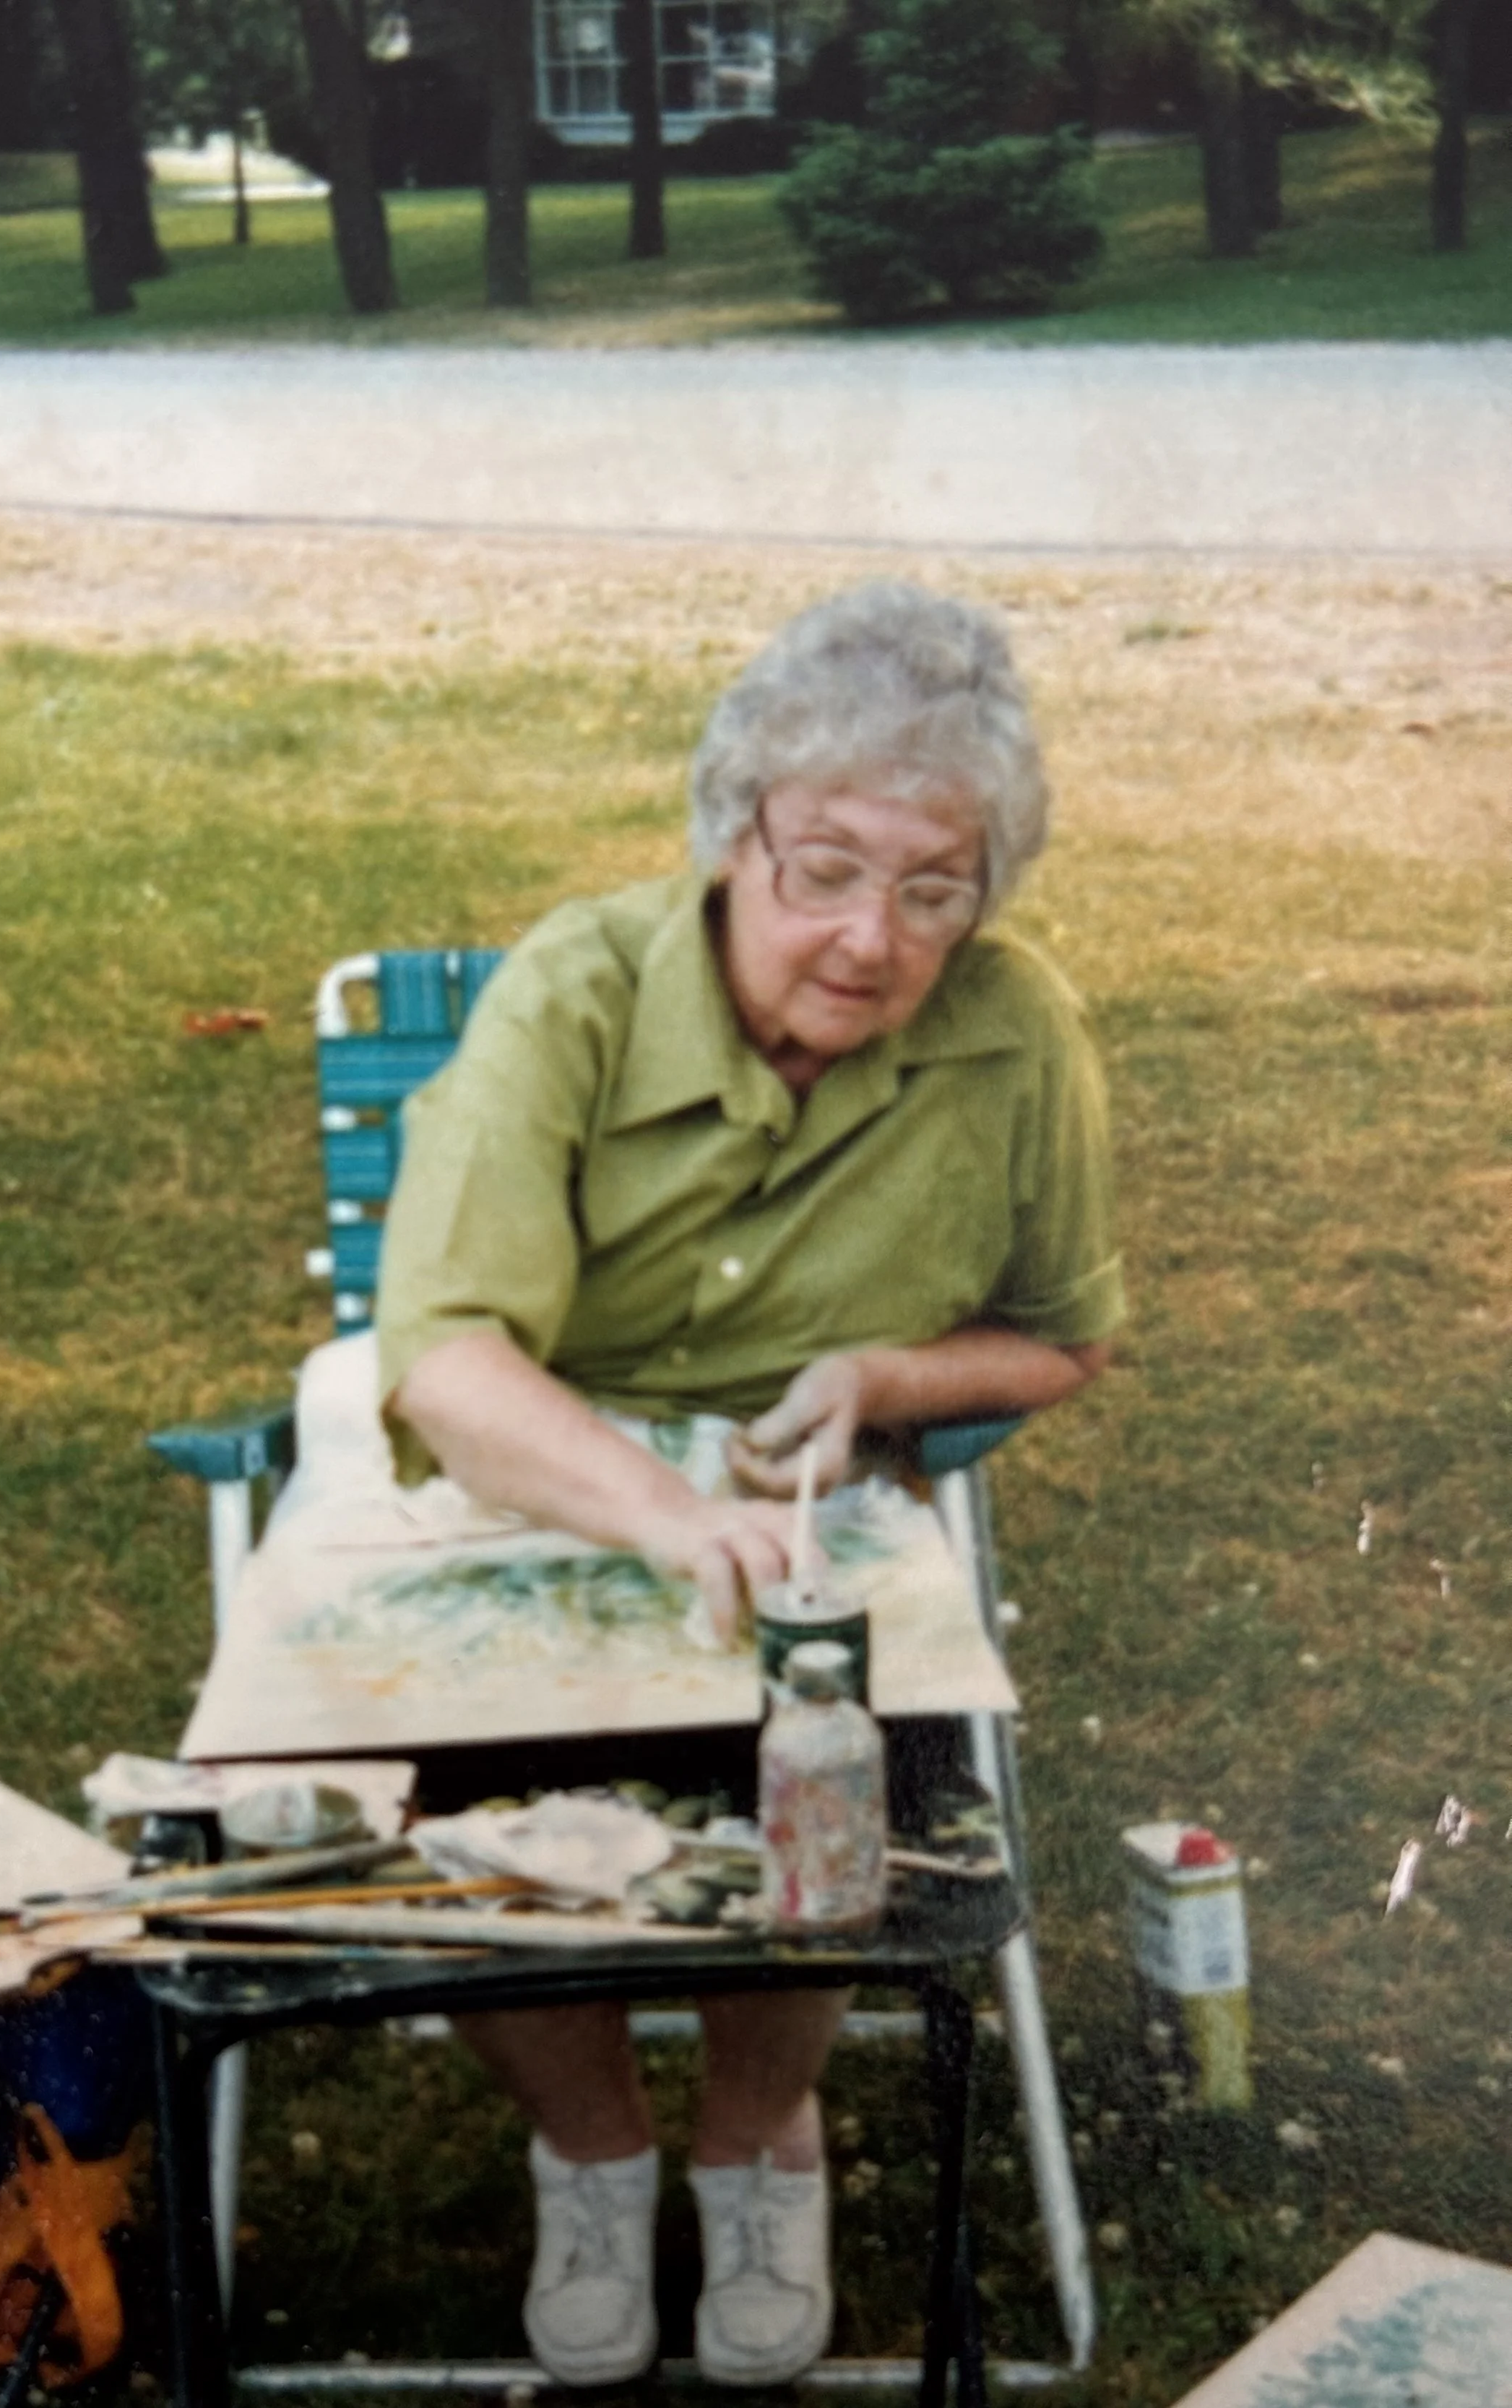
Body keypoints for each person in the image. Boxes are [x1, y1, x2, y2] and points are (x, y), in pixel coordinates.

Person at [373, 582, 1123, 2388]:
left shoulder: (1018, 1040)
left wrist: (885, 1378)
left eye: (932, 886)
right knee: (462, 1775)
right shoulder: (578, 983)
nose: (870, 938)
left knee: (827, 1757)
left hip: (812, 1504)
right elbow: (446, 1356)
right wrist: (660, 1508)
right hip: (548, 1480)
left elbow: (1060, 1337)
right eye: (825, 869)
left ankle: (754, 2136)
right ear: (732, 840)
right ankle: (592, 2145)